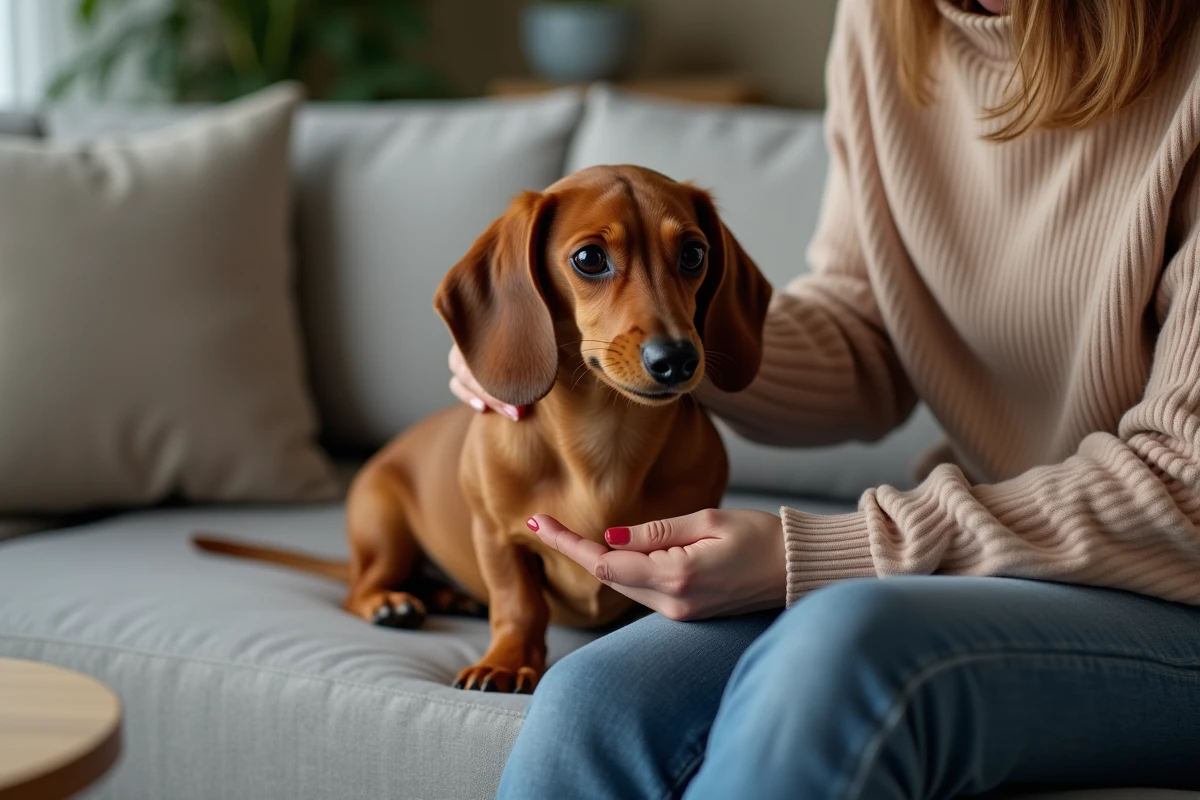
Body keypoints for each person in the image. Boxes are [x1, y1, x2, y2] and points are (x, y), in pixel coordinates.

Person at [451, 0, 1200, 796]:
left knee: (844, 648)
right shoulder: (891, 17)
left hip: (1169, 590)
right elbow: (868, 328)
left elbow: (1189, 479)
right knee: (594, 696)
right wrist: (557, 336)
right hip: (994, 566)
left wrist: (806, 554)